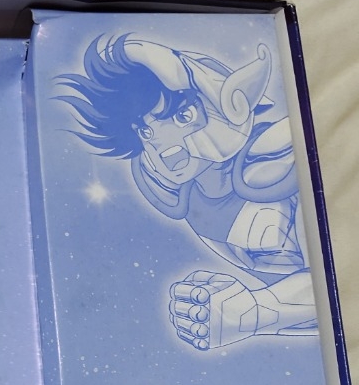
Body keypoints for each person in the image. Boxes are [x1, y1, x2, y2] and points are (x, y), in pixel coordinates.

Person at [58, 35, 316, 350]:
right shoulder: (186, 199)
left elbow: (334, 279)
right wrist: (243, 307)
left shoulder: (277, 165)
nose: (167, 148)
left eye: (183, 116)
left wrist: (261, 311)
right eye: (147, 131)